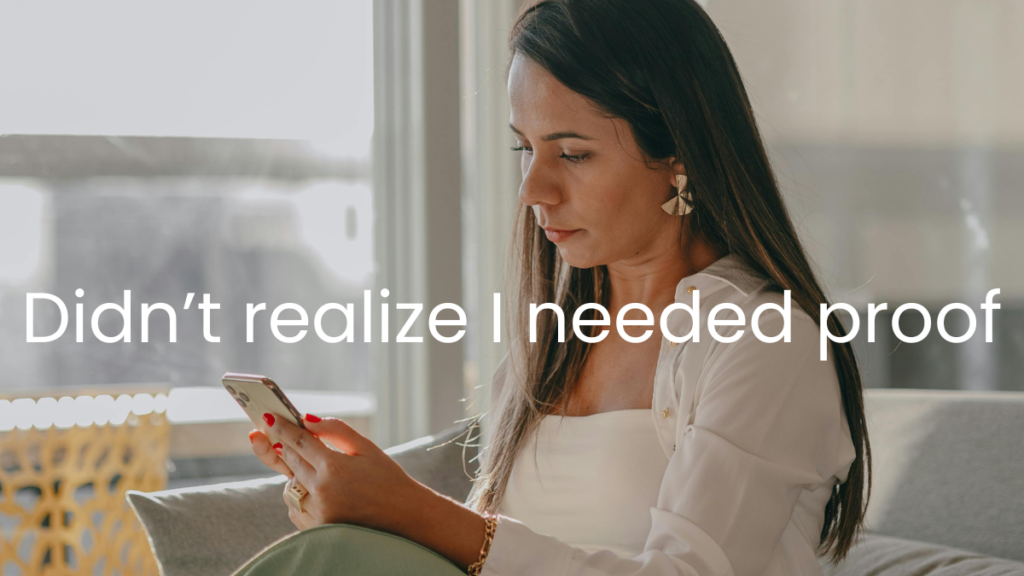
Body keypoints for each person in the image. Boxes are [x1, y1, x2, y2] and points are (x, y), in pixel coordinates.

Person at [240, 0, 871, 575]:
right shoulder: (554, 344)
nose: (532, 189)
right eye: (525, 148)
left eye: (572, 154)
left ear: (679, 153)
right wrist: (364, 506)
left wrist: (411, 511)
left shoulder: (767, 343)